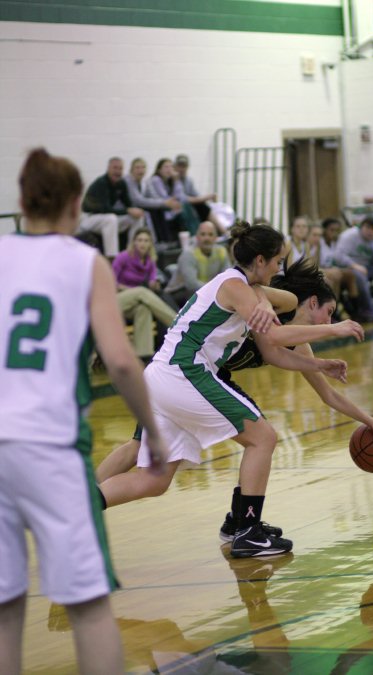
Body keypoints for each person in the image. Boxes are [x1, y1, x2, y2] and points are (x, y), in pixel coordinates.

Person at [96, 223, 367, 559]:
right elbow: (278, 339)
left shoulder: (246, 286)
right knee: (263, 437)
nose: (279, 268)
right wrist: (334, 329)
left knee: (153, 480)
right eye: (276, 262)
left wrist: (316, 360)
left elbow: (277, 337)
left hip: (164, 376)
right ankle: (248, 532)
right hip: (184, 373)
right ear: (260, 259)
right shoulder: (235, 285)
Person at [0, 148, 168, 675]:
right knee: (90, 607)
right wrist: (156, 437)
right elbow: (120, 361)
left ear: (22, 202)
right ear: (77, 204)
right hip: (50, 447)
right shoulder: (84, 261)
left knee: (5, 608)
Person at [112, 228, 177, 361]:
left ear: (150, 244)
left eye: (146, 240)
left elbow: (153, 280)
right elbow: (110, 283)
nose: (142, 243)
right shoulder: (123, 257)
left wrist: (155, 284)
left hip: (133, 303)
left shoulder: (150, 262)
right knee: (141, 292)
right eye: (139, 240)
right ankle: (177, 322)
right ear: (134, 243)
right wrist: (129, 289)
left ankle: (144, 356)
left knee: (143, 309)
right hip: (114, 300)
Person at [79, 157, 145, 259]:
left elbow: (128, 203)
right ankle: (112, 258)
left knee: (137, 217)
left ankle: (132, 254)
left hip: (105, 220)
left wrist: (135, 210)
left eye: (120, 169)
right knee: (111, 218)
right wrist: (128, 210)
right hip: (89, 218)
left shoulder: (121, 183)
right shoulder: (101, 183)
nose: (118, 172)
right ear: (108, 169)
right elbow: (105, 209)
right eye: (115, 168)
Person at [335, 216, 373, 320]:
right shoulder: (349, 236)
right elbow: (338, 256)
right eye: (368, 228)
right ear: (361, 227)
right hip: (347, 267)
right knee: (360, 276)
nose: (370, 232)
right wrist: (355, 266)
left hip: (367, 267)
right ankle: (368, 310)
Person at [166, 220, 231, 305]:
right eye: (203, 234)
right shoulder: (188, 254)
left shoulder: (221, 252)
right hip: (178, 294)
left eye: (210, 234)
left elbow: (228, 277)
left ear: (216, 238)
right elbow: (192, 285)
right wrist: (216, 291)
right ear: (197, 237)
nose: (207, 238)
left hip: (205, 294)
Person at [124, 158, 181, 243]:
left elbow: (154, 196)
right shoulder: (128, 181)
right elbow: (138, 201)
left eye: (143, 167)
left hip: (140, 207)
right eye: (137, 167)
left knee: (161, 209)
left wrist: (166, 203)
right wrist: (164, 203)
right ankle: (156, 242)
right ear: (131, 170)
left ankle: (166, 241)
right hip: (128, 209)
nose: (140, 170)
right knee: (154, 210)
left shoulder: (144, 182)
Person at [146, 158, 199, 241]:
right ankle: (193, 235)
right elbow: (164, 198)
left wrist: (176, 180)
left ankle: (194, 235)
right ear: (159, 170)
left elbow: (180, 196)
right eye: (166, 167)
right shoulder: (156, 180)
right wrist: (175, 203)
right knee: (183, 208)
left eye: (171, 167)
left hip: (168, 209)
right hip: (157, 209)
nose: (169, 169)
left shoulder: (169, 181)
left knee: (186, 206)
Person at [317, 218, 360, 318]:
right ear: (324, 230)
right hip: (322, 270)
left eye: (337, 230)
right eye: (331, 230)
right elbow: (315, 263)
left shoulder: (336, 243)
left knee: (351, 275)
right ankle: (334, 312)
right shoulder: (320, 242)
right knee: (336, 275)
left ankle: (355, 310)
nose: (334, 233)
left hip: (332, 269)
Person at [173, 154, 224, 234]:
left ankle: (219, 231)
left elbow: (196, 195)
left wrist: (204, 198)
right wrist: (207, 197)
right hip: (176, 208)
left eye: (184, 166)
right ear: (175, 167)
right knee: (198, 206)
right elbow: (182, 199)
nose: (182, 169)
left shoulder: (188, 180)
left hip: (185, 207)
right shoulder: (174, 180)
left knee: (202, 205)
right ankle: (221, 231)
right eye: (180, 166)